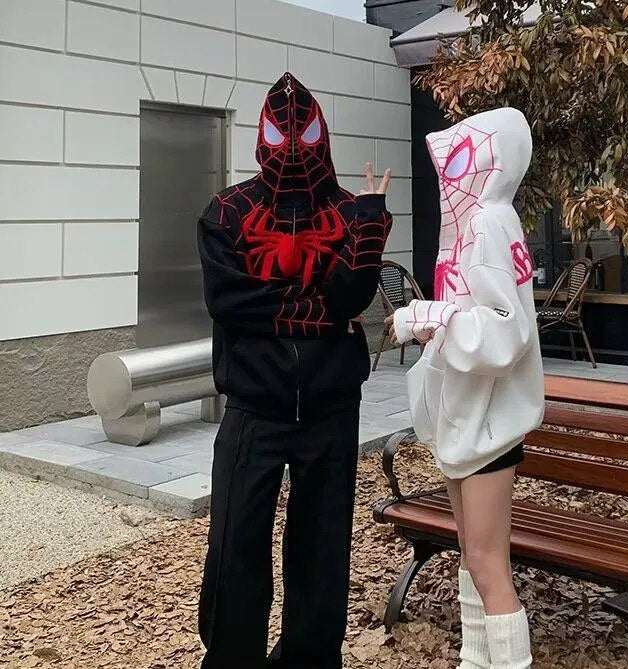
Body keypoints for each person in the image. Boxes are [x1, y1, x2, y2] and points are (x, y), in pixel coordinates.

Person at [197, 72, 392, 669]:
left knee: (322, 542)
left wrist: (369, 228)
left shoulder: (349, 211)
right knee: (235, 538)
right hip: (254, 403)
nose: (290, 147)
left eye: (302, 134)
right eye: (280, 134)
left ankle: (310, 657)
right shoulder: (227, 211)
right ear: (262, 135)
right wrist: (321, 311)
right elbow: (229, 301)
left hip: (331, 404)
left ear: (321, 134)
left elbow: (349, 298)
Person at [387, 107, 544, 669]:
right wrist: (436, 319)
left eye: (460, 160)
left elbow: (507, 330)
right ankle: (476, 660)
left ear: (490, 161)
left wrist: (426, 316)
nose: (450, 174)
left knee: (485, 560)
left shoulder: (488, 223)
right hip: (470, 411)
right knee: (473, 554)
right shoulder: (480, 221)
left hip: (488, 418)